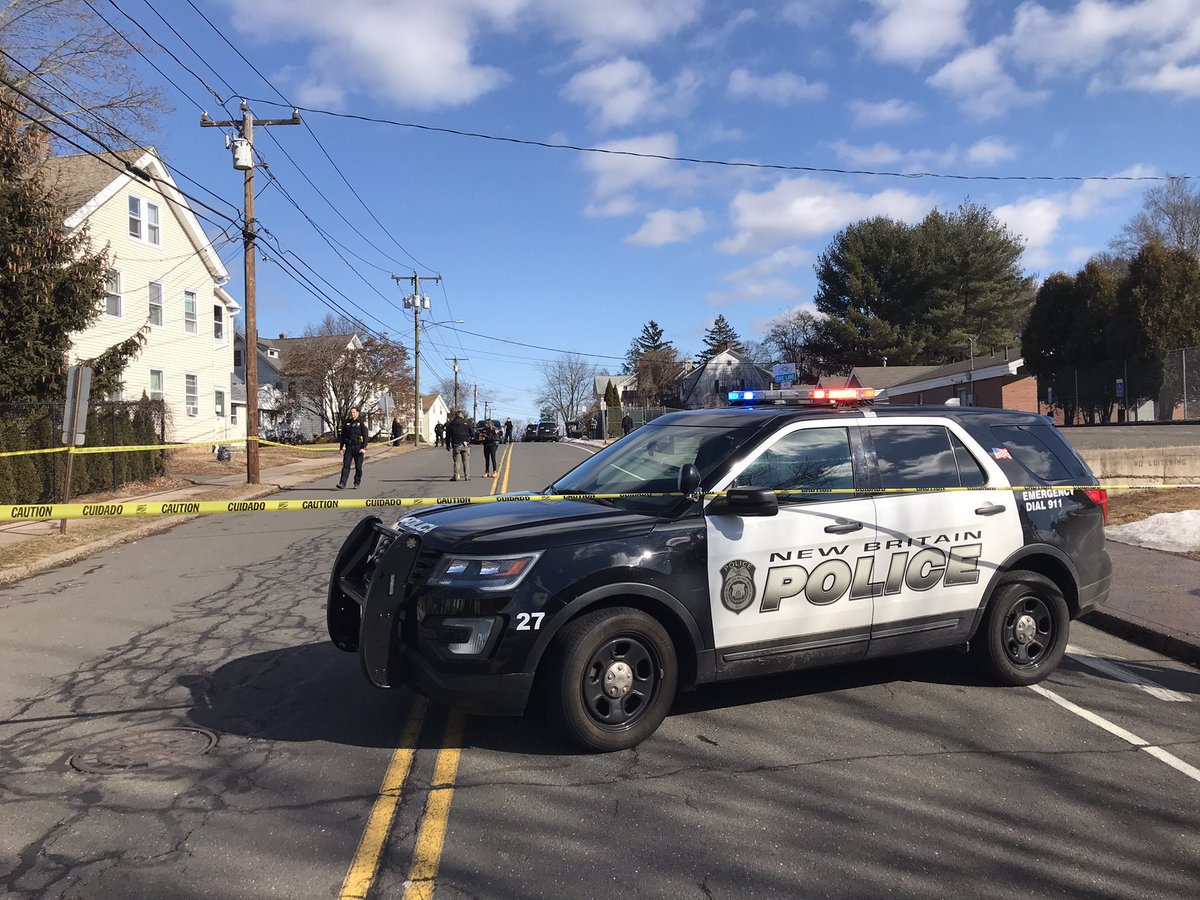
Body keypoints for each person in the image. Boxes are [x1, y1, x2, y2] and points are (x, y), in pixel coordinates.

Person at [337, 407, 369, 489]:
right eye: (351, 412)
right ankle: (342, 483)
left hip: (358, 448)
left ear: (357, 413)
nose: (352, 414)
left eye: (354, 412)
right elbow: (343, 436)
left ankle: (357, 482)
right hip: (349, 447)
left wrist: (364, 448)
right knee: (346, 466)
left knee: (358, 467)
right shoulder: (347, 423)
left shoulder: (361, 423)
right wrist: (341, 448)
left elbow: (365, 436)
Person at [446, 409, 472, 481]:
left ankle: (456, 476)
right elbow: (472, 433)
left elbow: (448, 435)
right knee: (466, 461)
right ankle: (467, 476)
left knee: (457, 462)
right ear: (462, 415)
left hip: (456, 444)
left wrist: (448, 445)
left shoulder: (451, 424)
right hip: (465, 444)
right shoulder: (467, 423)